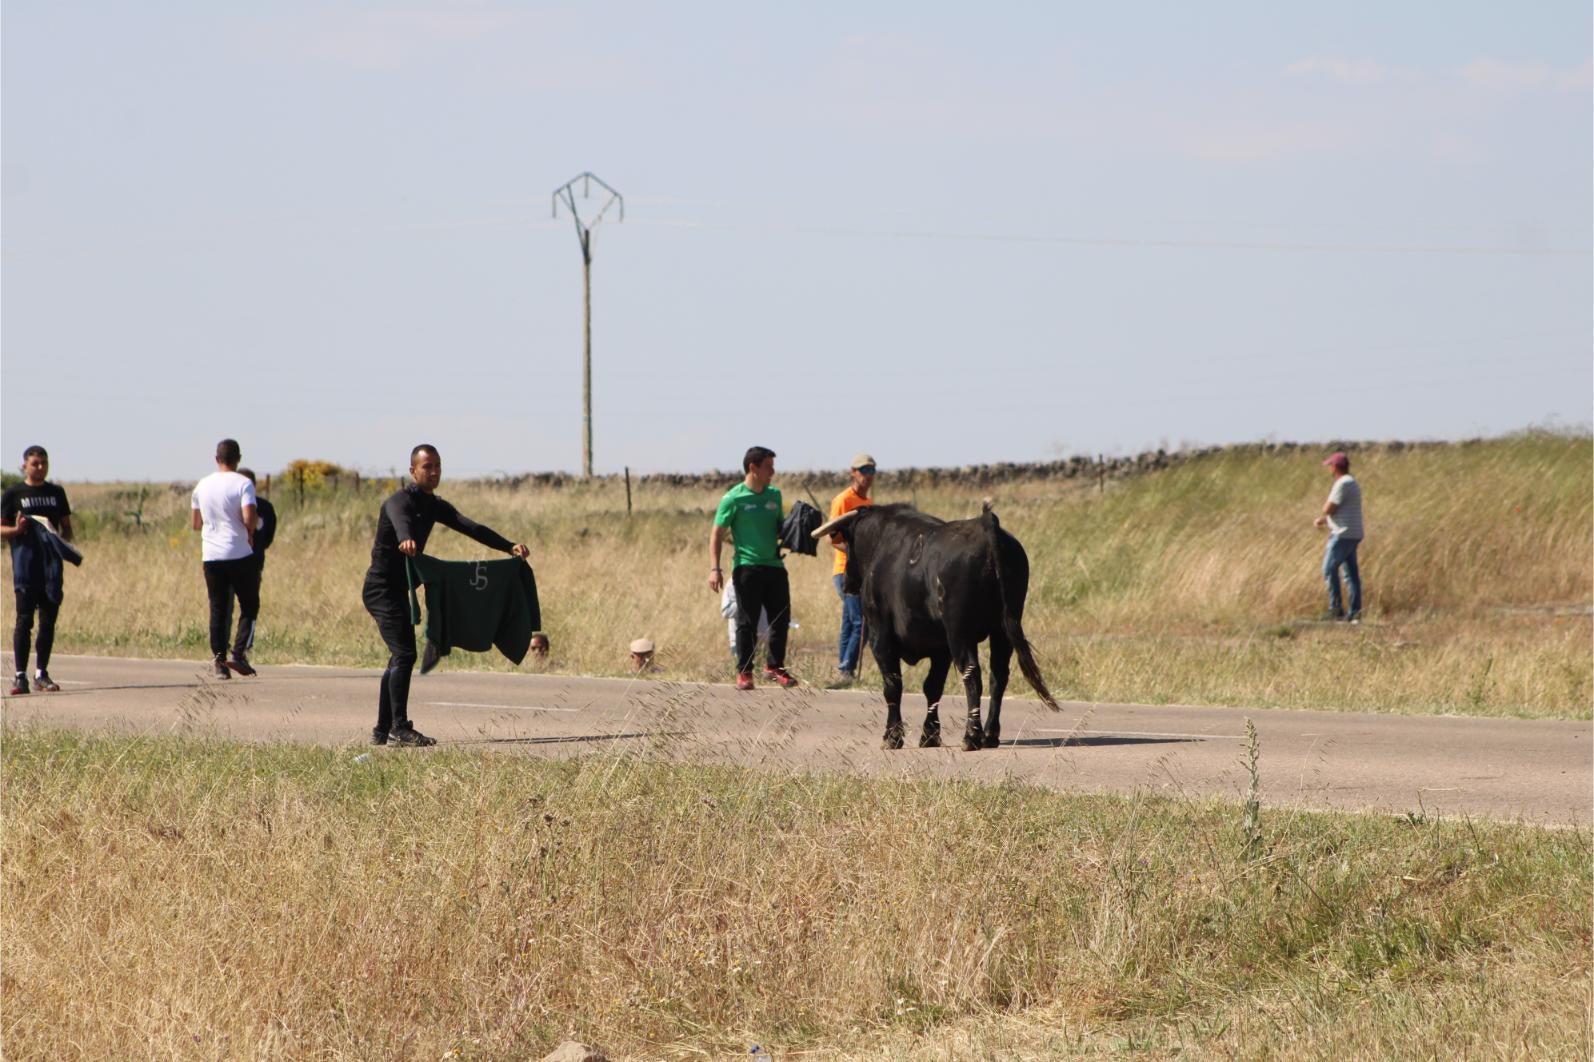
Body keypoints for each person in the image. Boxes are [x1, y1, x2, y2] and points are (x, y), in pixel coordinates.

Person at [362, 444, 529, 747]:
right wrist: (406, 540)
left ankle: (382, 729)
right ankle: (399, 728)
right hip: (380, 589)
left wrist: (509, 545)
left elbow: (471, 527)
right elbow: (401, 523)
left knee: (398, 656)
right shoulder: (398, 501)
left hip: (399, 589)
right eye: (427, 466)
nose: (434, 471)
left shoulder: (435, 505)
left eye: (438, 465)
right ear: (413, 470)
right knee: (405, 654)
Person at [708, 445, 797, 690]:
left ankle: (775, 666)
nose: (773, 472)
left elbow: (781, 528)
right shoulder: (733, 498)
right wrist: (715, 568)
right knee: (747, 620)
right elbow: (716, 534)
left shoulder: (774, 495)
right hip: (746, 567)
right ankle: (745, 672)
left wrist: (797, 528)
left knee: (781, 617)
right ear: (753, 468)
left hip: (774, 565)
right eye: (769, 467)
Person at [2, 446, 74, 695]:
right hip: (25, 566)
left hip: (51, 567)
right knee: (24, 621)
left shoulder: (56, 493)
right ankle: (20, 676)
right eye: (35, 463)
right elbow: (1, 529)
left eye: (44, 462)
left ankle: (41, 673)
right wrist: (17, 530)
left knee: (48, 621)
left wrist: (61, 539)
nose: (40, 467)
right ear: (25, 465)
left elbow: (68, 528)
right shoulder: (13, 493)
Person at [191, 439, 259, 679]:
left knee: (218, 608)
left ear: (216, 458)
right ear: (238, 459)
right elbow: (249, 517)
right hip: (239, 552)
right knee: (249, 605)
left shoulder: (202, 485)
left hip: (211, 555)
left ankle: (219, 662)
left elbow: (195, 523)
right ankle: (239, 653)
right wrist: (249, 533)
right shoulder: (244, 483)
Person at [826, 452, 877, 687]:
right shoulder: (843, 500)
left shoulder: (868, 503)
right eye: (863, 471)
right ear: (853, 473)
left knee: (849, 622)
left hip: (862, 571)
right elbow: (832, 538)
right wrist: (855, 553)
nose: (867, 476)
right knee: (862, 623)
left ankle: (842, 668)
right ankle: (847, 668)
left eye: (871, 471)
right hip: (845, 571)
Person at [1313, 451, 1364, 623]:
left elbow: (1329, 508)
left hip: (1342, 534)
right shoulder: (1352, 483)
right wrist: (1326, 521)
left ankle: (1335, 608)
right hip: (1353, 532)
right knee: (1350, 574)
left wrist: (1325, 515)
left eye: (1330, 465)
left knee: (1328, 568)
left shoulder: (1342, 483)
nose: (1329, 469)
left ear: (1335, 467)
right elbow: (1343, 511)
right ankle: (1354, 612)